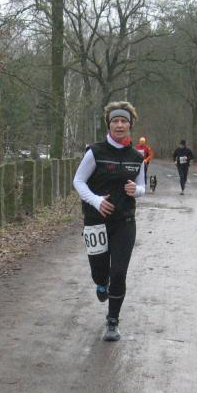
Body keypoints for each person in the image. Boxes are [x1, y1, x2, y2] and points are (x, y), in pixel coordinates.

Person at [73, 101, 145, 341]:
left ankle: (112, 321)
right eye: (115, 121)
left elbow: (142, 187)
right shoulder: (95, 152)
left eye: (124, 121)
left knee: (119, 272)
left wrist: (137, 190)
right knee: (100, 272)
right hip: (96, 222)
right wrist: (96, 201)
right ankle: (101, 282)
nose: (119, 125)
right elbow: (78, 181)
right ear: (109, 124)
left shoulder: (137, 156)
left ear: (130, 125)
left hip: (124, 222)